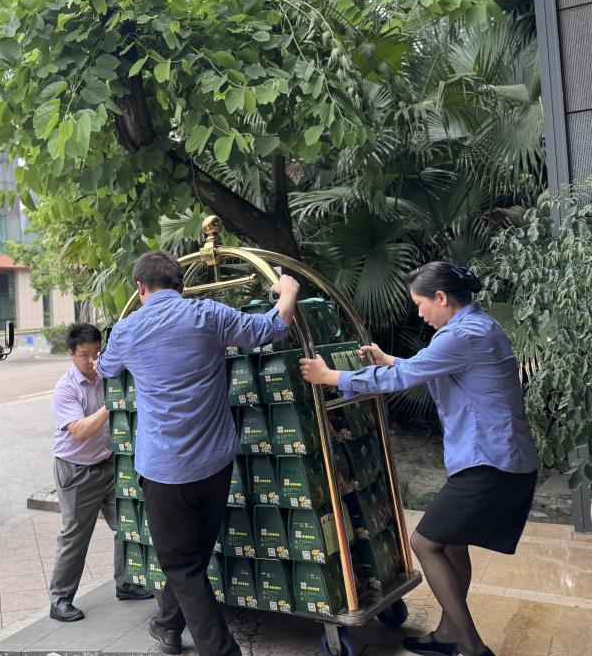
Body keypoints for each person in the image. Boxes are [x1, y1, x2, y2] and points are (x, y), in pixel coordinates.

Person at [299, 262, 538, 656]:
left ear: (440, 298)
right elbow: (420, 368)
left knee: (424, 543)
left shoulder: (461, 335)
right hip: (499, 459)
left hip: (490, 464)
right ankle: (447, 635)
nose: (420, 313)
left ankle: (472, 647)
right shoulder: (480, 326)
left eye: (420, 304)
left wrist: (332, 377)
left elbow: (404, 379)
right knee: (452, 544)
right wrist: (388, 359)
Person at [98, 251, 299, 656]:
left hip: (165, 471)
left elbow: (106, 369)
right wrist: (289, 289)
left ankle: (222, 651)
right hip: (215, 464)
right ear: (181, 285)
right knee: (194, 557)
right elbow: (272, 327)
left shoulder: (126, 330)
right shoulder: (208, 315)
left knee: (181, 565)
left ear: (140, 288)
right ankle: (168, 625)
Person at [49, 323, 154, 623]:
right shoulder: (66, 388)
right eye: (85, 354)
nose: (93, 360)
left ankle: (126, 584)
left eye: (97, 352)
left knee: (126, 525)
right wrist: (111, 404)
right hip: (75, 470)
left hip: (108, 465)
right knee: (75, 536)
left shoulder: (106, 375)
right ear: (71, 354)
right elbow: (80, 431)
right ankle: (59, 601)